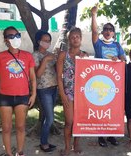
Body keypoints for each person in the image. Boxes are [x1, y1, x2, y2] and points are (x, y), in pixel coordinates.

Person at [0, 26, 36, 156]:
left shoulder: (27, 56)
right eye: (11, 36)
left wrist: (34, 94)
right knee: (6, 128)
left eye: (17, 35)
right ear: (6, 40)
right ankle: (9, 153)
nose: (15, 38)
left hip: (22, 96)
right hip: (4, 98)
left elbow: (33, 78)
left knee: (21, 127)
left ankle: (20, 152)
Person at [91, 5, 126, 147]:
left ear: (113, 33)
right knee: (100, 108)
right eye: (105, 29)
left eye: (110, 30)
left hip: (114, 83)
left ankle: (111, 135)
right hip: (100, 82)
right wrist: (93, 15)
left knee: (112, 109)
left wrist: (118, 60)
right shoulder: (98, 44)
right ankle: (101, 136)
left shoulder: (117, 45)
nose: (107, 31)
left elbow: (124, 60)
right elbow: (94, 31)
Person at [57, 27, 88, 156]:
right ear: (69, 40)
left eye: (77, 37)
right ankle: (67, 147)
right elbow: (59, 77)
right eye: (72, 37)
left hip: (82, 94)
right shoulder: (63, 55)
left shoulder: (85, 55)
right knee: (69, 121)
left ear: (80, 39)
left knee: (78, 121)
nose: (75, 39)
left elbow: (90, 75)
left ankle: (76, 144)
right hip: (68, 93)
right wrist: (62, 94)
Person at [32, 30, 57, 152]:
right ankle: (43, 143)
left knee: (48, 117)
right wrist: (45, 60)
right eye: (45, 40)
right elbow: (37, 74)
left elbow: (57, 69)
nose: (47, 43)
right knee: (50, 118)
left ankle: (44, 141)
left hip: (54, 88)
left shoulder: (51, 54)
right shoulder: (35, 55)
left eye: (49, 41)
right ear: (39, 41)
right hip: (44, 89)